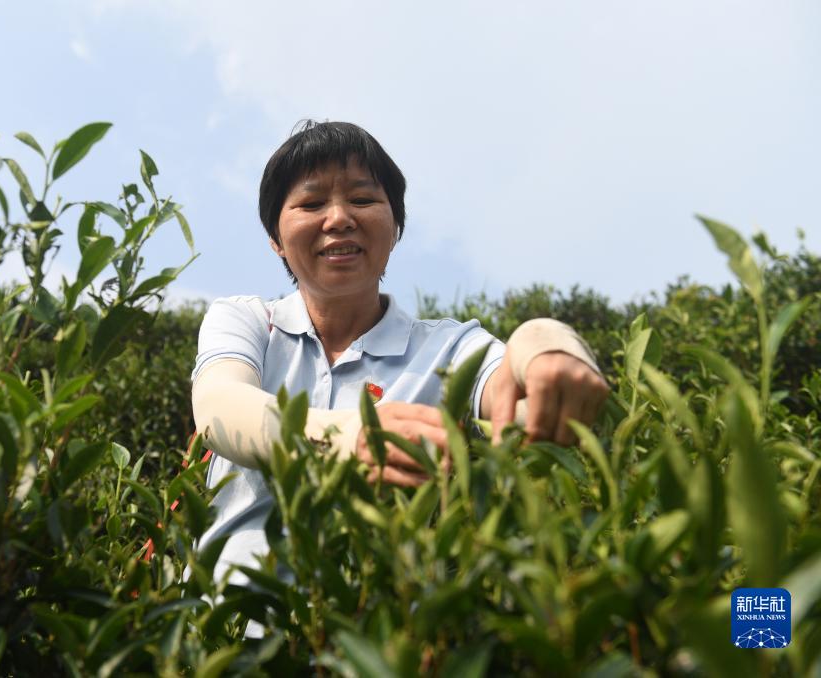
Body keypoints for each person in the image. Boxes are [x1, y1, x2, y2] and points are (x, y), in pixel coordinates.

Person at [191, 121, 608, 586]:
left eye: (363, 199)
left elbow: (519, 395)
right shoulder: (247, 321)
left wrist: (546, 342)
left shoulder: (449, 348)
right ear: (275, 238)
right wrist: (349, 439)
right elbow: (220, 409)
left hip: (386, 640)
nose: (339, 218)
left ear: (395, 227)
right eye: (311, 203)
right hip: (227, 628)